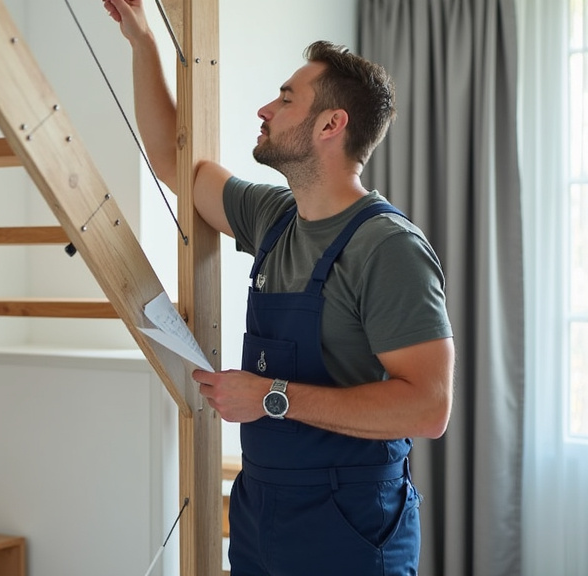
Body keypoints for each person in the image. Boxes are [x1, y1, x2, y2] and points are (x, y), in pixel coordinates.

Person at [104, 1, 455, 575]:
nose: (266, 108)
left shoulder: (388, 248)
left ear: (330, 125)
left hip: (349, 527)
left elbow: (429, 406)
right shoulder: (274, 217)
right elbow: (174, 161)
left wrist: (274, 395)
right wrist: (143, 42)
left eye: (287, 98)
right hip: (261, 511)